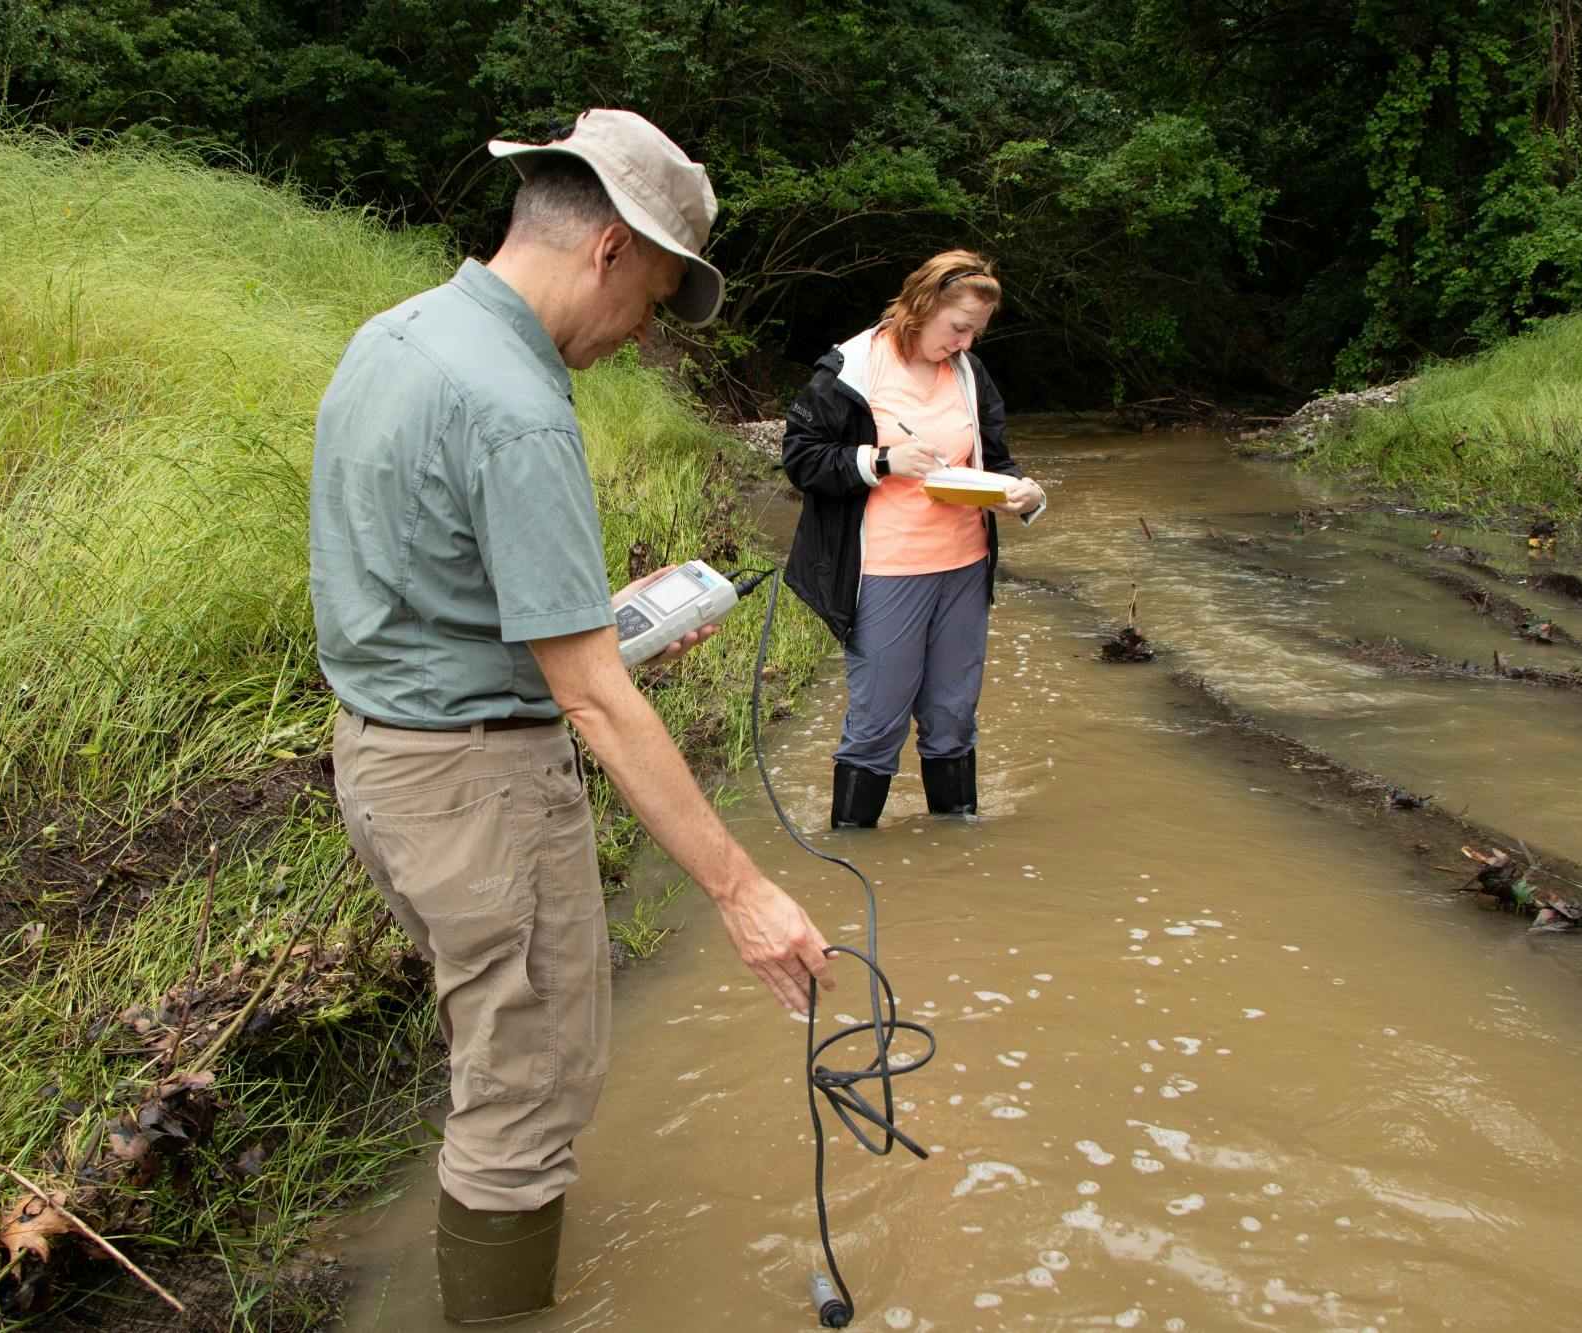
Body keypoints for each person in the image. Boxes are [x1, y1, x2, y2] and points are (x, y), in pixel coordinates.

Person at [308, 110, 835, 1324]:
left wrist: (596, 616)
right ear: (607, 248)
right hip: (480, 796)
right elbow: (589, 694)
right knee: (522, 1103)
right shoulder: (520, 407)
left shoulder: (395, 339)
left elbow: (418, 578)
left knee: (494, 1044)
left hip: (383, 766)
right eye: (654, 295)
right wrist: (743, 892)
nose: (646, 331)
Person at [780, 251, 1048, 828]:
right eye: (958, 328)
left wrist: (1024, 493)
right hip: (884, 570)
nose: (966, 344)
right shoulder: (852, 368)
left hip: (965, 566)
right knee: (877, 721)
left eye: (975, 333)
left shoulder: (970, 375)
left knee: (953, 717)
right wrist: (884, 459)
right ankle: (852, 851)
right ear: (921, 307)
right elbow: (801, 459)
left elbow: (996, 461)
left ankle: (954, 857)